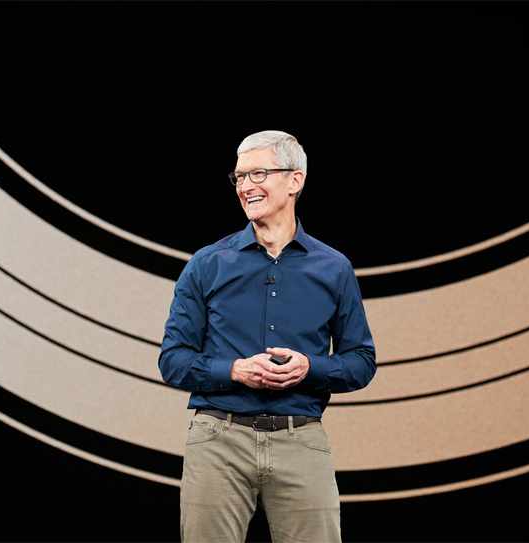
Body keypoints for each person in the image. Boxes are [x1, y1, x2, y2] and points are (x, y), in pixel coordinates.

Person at [158, 130, 376, 543]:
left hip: (301, 437)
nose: (245, 187)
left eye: (258, 174)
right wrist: (235, 370)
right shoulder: (207, 264)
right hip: (218, 439)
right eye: (239, 177)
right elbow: (172, 359)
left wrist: (311, 368)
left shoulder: (334, 268)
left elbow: (361, 362)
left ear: (295, 180)